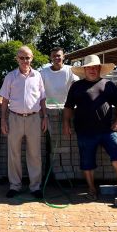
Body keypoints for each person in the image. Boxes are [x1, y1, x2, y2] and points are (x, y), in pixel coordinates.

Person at [63, 54, 117, 200]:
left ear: (99, 68)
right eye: (89, 67)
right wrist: (66, 123)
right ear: (84, 70)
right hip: (84, 130)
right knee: (86, 160)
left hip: (107, 129)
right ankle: (91, 188)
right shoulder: (76, 86)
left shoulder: (108, 84)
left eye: (95, 67)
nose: (92, 70)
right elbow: (68, 107)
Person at [0, 45, 48, 199]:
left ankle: (35, 187)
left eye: (28, 57)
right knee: (13, 153)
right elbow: (5, 100)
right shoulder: (10, 77)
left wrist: (45, 116)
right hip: (14, 118)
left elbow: (42, 98)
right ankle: (15, 186)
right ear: (17, 59)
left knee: (34, 154)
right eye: (22, 58)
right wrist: (3, 120)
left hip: (34, 118)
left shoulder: (38, 76)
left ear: (32, 58)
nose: (25, 61)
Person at [40, 47, 77, 175]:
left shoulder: (70, 70)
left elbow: (75, 87)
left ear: (64, 57)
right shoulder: (43, 72)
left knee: (64, 142)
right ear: (51, 58)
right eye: (54, 56)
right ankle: (48, 172)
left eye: (59, 56)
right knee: (48, 143)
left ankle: (63, 172)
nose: (57, 58)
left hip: (65, 110)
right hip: (48, 111)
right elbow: (38, 90)